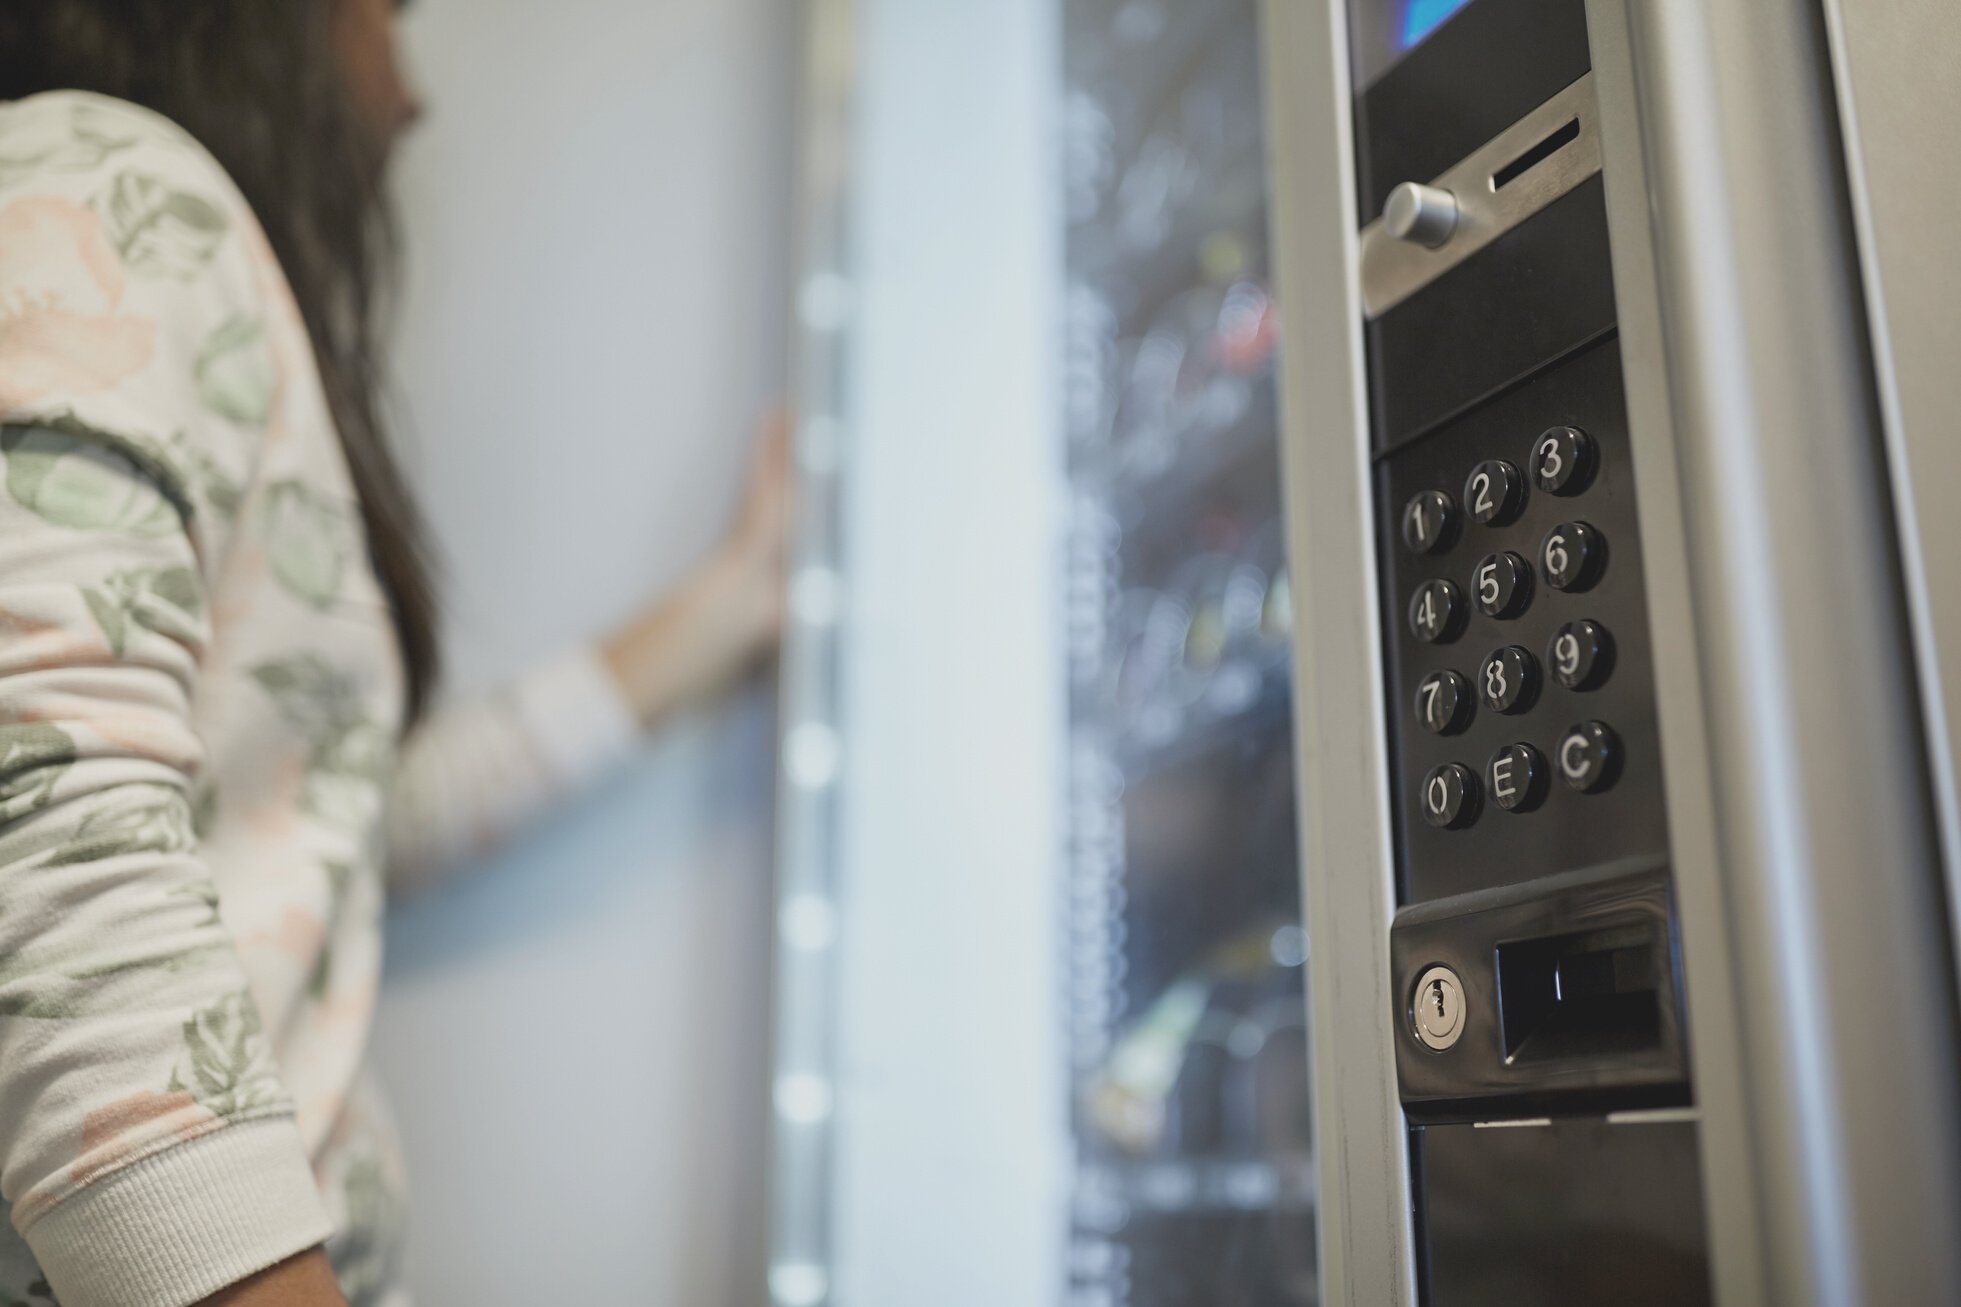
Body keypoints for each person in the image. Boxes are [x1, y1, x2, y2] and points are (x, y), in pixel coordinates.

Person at [0, 1, 787, 1303]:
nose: (413, 94)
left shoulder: (134, 234)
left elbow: (322, 828)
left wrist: (721, 610)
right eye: (390, 12)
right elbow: (40, 831)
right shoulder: (103, 178)